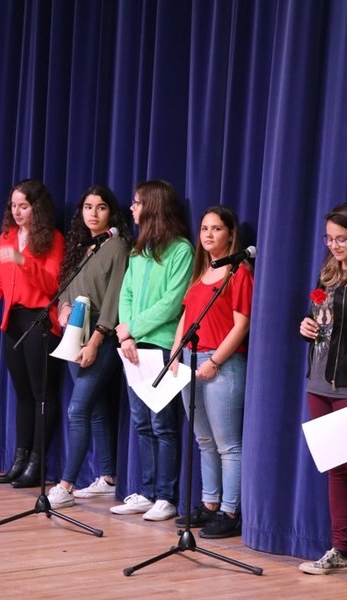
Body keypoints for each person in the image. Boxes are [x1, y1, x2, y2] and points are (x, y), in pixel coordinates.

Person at [0, 179, 64, 488]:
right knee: (23, 395)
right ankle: (19, 459)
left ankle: (37, 463)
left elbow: (51, 285)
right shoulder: (6, 238)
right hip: (13, 321)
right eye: (13, 205)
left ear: (37, 207)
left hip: (40, 321)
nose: (17, 211)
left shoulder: (52, 239)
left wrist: (23, 260)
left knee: (43, 394)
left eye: (24, 206)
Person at [111, 180, 193, 521]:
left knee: (162, 424)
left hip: (160, 346)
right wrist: (126, 335)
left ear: (153, 207)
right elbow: (126, 294)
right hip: (132, 347)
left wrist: (134, 328)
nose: (131, 208)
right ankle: (144, 492)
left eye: (136, 202)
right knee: (141, 423)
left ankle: (165, 496)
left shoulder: (181, 250)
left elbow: (172, 304)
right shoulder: (137, 249)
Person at [46, 184, 132, 509]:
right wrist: (63, 309)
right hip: (73, 336)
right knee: (94, 409)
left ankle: (66, 485)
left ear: (111, 212)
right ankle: (108, 477)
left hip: (101, 337)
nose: (92, 214)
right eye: (87, 207)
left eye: (100, 208)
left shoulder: (118, 245)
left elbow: (113, 300)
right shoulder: (83, 245)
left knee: (77, 409)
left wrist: (96, 340)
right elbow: (65, 289)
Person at [170, 205, 253, 538]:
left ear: (231, 234)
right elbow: (186, 317)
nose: (208, 234)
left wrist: (215, 361)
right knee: (204, 440)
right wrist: (176, 352)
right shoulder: (201, 272)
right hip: (191, 361)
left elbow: (241, 324)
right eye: (204, 228)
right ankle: (210, 504)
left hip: (222, 364)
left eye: (217, 228)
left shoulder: (239, 272)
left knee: (227, 444)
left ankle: (231, 511)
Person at [298, 203, 347, 575]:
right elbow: (321, 322)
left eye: (342, 239)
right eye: (329, 238)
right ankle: (341, 550)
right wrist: (305, 325)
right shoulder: (328, 274)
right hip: (319, 383)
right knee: (335, 470)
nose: (334, 245)